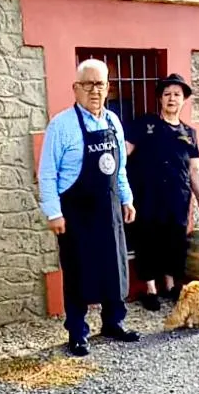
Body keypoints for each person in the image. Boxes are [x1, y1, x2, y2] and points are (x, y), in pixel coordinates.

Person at [38, 58, 141, 356]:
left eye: (100, 84)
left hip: (109, 209)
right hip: (76, 213)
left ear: (108, 88)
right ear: (75, 88)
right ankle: (78, 332)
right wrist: (54, 212)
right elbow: (47, 173)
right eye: (88, 84)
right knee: (77, 271)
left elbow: (120, 167)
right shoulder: (61, 125)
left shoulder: (114, 122)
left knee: (114, 267)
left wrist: (127, 198)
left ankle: (113, 322)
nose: (94, 90)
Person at [126, 72, 199, 311]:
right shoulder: (145, 124)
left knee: (174, 241)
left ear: (183, 99)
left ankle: (171, 285)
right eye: (167, 94)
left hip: (178, 197)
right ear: (160, 99)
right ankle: (150, 290)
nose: (172, 98)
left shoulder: (189, 133)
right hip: (148, 196)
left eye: (176, 94)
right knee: (148, 240)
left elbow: (194, 169)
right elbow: (125, 152)